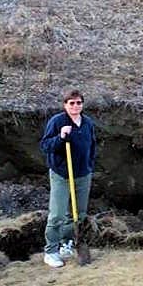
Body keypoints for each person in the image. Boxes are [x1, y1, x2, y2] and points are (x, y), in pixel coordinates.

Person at [38, 89, 97, 268]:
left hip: (82, 174)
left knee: (78, 214)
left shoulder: (87, 123)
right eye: (71, 103)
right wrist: (61, 137)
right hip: (61, 174)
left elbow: (92, 145)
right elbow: (45, 145)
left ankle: (67, 243)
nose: (75, 106)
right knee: (57, 214)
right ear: (65, 105)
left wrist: (89, 165)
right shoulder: (57, 122)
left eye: (78, 102)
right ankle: (51, 251)